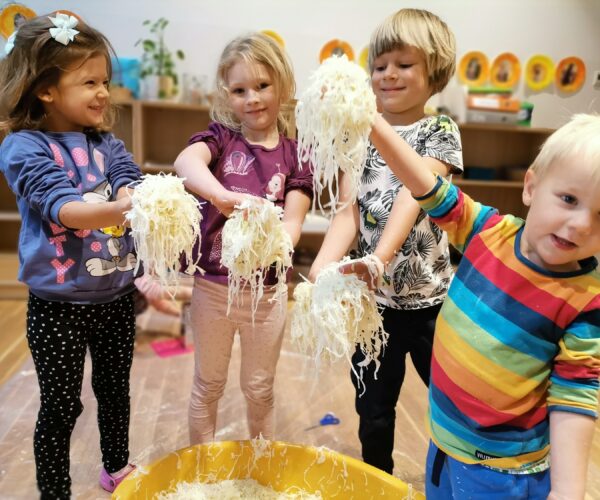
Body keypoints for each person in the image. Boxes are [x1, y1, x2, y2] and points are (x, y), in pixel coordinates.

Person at [368, 111, 600, 498]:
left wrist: (567, 491)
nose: (580, 225)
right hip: (444, 439)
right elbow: (428, 187)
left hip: (504, 472)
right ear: (531, 187)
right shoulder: (488, 230)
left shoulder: (584, 300)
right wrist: (372, 123)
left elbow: (575, 399)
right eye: (568, 199)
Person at [308, 8, 462, 475]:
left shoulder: (439, 131)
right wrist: (320, 269)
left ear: (434, 73)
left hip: (433, 304)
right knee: (373, 410)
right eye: (379, 66)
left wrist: (381, 256)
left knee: (452, 402)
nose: (388, 74)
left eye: (404, 64)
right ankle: (377, 479)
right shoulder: (357, 137)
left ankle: (453, 479)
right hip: (373, 308)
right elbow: (349, 211)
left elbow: (415, 197)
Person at [0, 13, 140, 498]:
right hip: (58, 304)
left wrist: (136, 194)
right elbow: (68, 209)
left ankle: (116, 467)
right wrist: (121, 206)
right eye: (89, 82)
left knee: (115, 393)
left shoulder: (109, 144)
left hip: (116, 297)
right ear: (45, 90)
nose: (103, 92)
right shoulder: (23, 147)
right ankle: (54, 488)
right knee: (61, 405)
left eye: (105, 81)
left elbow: (129, 179)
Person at [174, 32, 312, 444]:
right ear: (227, 94)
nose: (252, 98)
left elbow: (294, 220)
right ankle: (203, 471)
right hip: (214, 287)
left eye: (262, 86)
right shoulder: (222, 138)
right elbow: (185, 161)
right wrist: (219, 194)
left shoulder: (296, 152)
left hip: (267, 294)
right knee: (208, 385)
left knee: (259, 388)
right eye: (240, 90)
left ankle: (260, 465)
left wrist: (277, 240)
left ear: (282, 86)